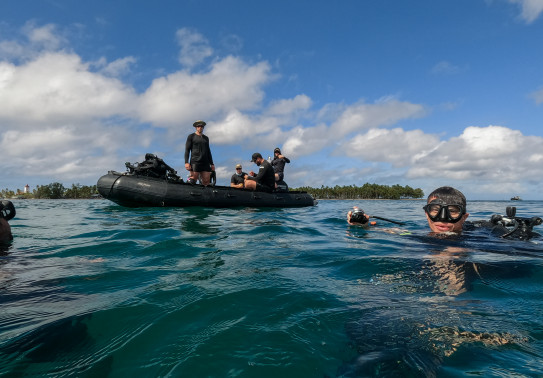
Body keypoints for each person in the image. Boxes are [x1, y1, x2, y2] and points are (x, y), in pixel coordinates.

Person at [347, 186, 469, 235]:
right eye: (435, 210)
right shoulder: (417, 234)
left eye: (452, 211)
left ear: (464, 217)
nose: (442, 217)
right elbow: (397, 231)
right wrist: (364, 226)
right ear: (427, 214)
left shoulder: (480, 238)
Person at [184, 120, 215, 186]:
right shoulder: (191, 136)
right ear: (196, 127)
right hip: (195, 161)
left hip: (205, 162)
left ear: (203, 127)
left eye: (201, 126)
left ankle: (205, 195)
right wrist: (186, 162)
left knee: (206, 180)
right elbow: (187, 150)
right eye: (198, 126)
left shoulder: (206, 138)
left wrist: (212, 164)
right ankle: (186, 185)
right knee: (193, 179)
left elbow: (208, 151)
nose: (200, 127)